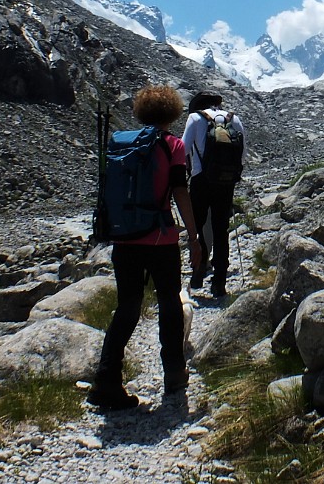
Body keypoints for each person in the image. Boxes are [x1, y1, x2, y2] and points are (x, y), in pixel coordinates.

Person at [88, 85, 204, 411]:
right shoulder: (173, 146)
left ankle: (106, 380)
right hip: (160, 238)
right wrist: (194, 237)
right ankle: (174, 374)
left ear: (140, 111)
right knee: (169, 302)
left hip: (123, 238)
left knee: (127, 307)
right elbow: (180, 192)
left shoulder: (122, 144)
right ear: (173, 112)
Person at [182, 91, 245, 298]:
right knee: (221, 229)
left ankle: (199, 270)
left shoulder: (195, 118)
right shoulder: (233, 118)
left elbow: (182, 150)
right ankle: (220, 281)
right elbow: (242, 152)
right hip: (225, 181)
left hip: (201, 179)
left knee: (198, 227)